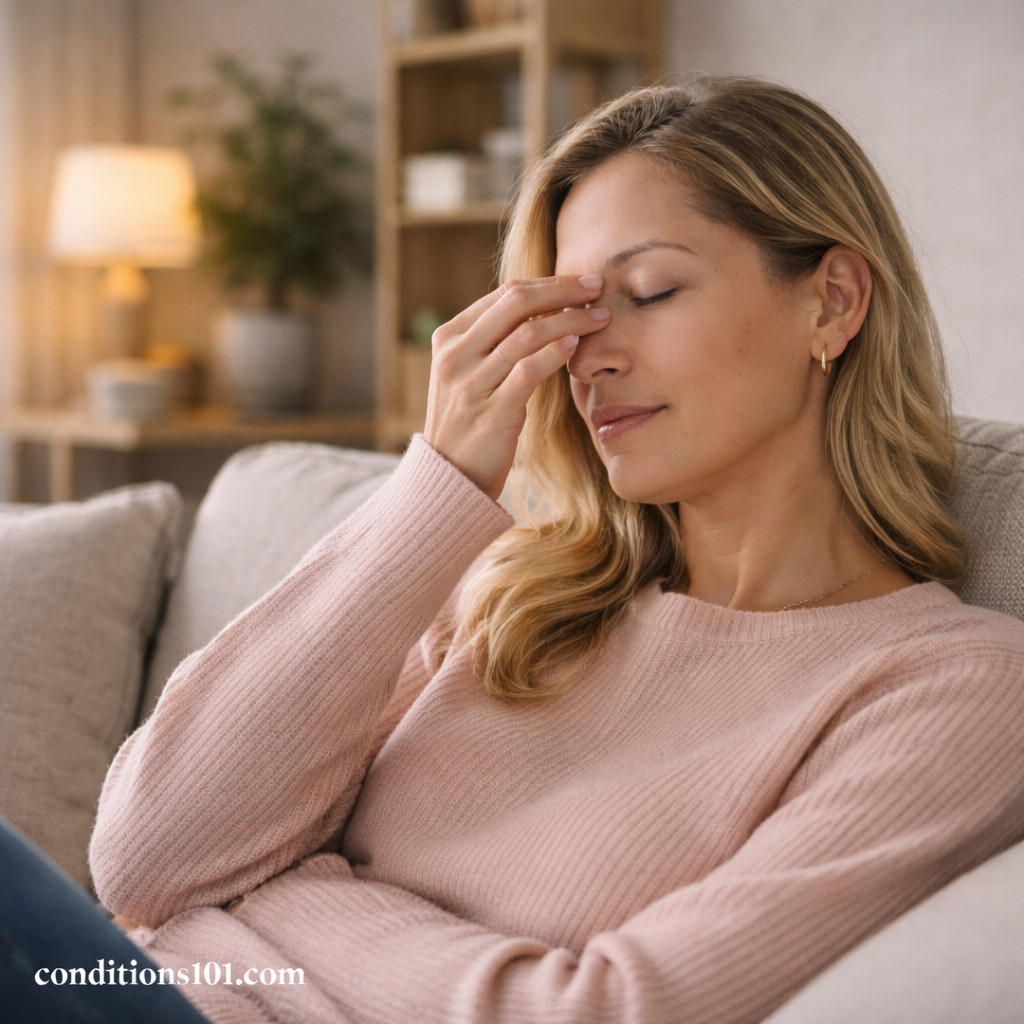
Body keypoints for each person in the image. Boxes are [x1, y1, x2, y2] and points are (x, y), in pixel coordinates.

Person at [82, 77, 1024, 1024]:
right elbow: (148, 856)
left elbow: (602, 1013)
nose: (591, 356)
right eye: (571, 313)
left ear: (832, 301)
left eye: (649, 291)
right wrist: (435, 486)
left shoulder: (953, 688)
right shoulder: (520, 597)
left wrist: (264, 896)